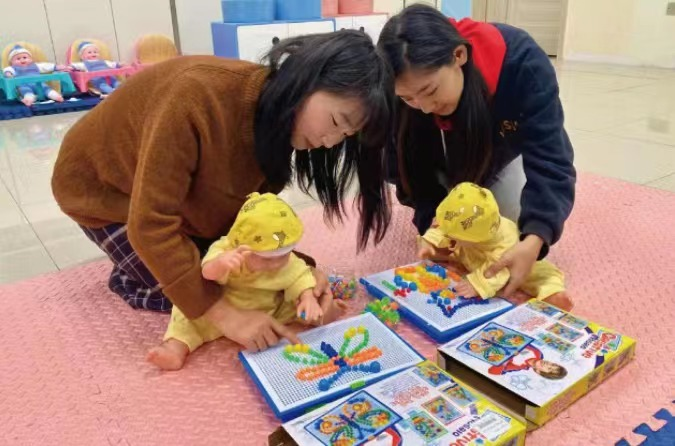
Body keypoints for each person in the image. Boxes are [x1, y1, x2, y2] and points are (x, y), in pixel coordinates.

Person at [52, 30, 394, 352]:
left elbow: (247, 219)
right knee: (191, 296)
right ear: (306, 80)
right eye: (335, 122)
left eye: (345, 136)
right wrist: (227, 316)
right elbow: (150, 224)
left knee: (248, 278)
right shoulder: (197, 95)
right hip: (104, 193)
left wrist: (302, 271)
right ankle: (130, 276)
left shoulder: (278, 127)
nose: (330, 142)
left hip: (179, 202)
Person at [378, 5, 576, 298]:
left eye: (430, 91)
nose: (425, 107)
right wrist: (431, 222)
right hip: (442, 164)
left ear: (459, 55)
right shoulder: (400, 88)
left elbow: (550, 158)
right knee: (458, 232)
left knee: (504, 228)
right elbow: (407, 169)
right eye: (408, 98)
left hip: (494, 159)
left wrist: (535, 239)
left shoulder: (522, 63)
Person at [148, 193, 344, 370]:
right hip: (221, 306)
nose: (276, 264)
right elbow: (206, 274)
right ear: (242, 246)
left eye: (283, 255)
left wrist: (308, 298)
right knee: (186, 318)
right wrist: (220, 264)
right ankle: (174, 349)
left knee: (300, 307)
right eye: (267, 258)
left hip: (267, 309)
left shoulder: (285, 262)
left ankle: (327, 312)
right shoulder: (227, 252)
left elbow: (300, 276)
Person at [418, 183, 571, 310]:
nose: (447, 234)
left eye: (455, 236)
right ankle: (444, 249)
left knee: (541, 277)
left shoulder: (505, 240)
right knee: (451, 249)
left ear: (477, 237)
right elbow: (445, 227)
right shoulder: (463, 228)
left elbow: (499, 268)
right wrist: (430, 241)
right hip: (475, 254)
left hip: (519, 264)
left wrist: (477, 284)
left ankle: (554, 294)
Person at [3, 44, 69, 106]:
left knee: (46, 89)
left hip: (39, 83)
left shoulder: (36, 66)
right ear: (12, 62)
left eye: (25, 57)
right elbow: (7, 70)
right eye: (18, 59)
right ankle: (28, 100)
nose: (22, 60)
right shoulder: (13, 68)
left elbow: (46, 66)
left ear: (31, 59)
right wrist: (8, 73)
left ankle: (56, 96)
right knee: (26, 92)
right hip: (24, 85)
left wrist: (56, 67)